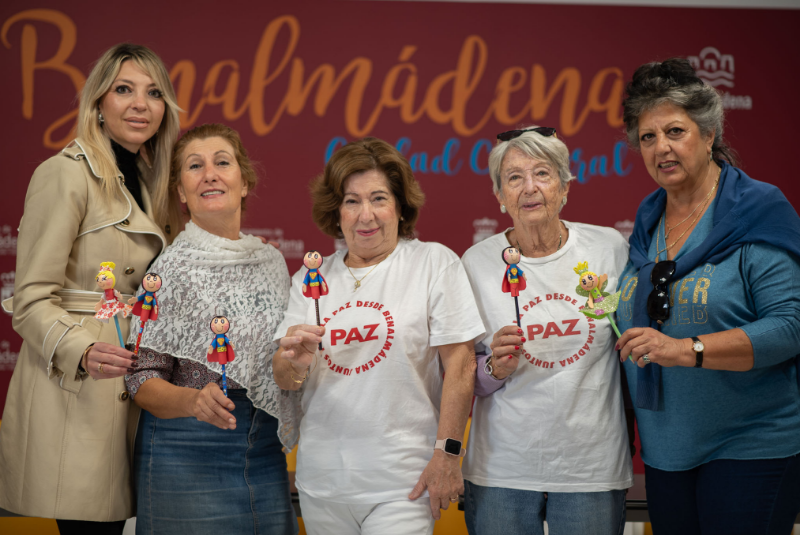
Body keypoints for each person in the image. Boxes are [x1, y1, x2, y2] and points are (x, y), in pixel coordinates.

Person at [0, 43, 180, 535]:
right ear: (98, 103)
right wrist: (83, 350)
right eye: (124, 89)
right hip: (81, 389)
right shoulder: (64, 173)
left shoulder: (154, 182)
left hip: (138, 382)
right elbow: (30, 299)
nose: (140, 104)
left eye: (153, 92)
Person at [616, 58, 800, 534]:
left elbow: (790, 324)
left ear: (709, 133)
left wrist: (686, 350)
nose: (661, 147)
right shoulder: (647, 220)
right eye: (648, 137)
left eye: (675, 131)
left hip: (749, 445)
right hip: (666, 452)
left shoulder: (756, 209)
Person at [272, 137, 484, 535]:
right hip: (322, 483)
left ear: (400, 208)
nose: (365, 215)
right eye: (352, 201)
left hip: (402, 485)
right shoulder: (310, 280)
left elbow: (460, 365)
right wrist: (292, 363)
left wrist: (448, 454)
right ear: (336, 212)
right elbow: (286, 378)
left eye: (379, 199)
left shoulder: (433, 263)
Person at [125, 123, 301, 535]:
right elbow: (140, 378)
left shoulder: (273, 263)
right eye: (194, 166)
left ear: (244, 183)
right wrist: (191, 401)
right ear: (182, 192)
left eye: (222, 162)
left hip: (263, 448)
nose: (210, 173)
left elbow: (285, 368)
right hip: (187, 449)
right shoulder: (167, 270)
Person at [460, 126, 632, 535]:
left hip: (591, 466)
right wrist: (493, 370)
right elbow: (463, 377)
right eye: (514, 177)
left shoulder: (609, 248)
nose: (529, 187)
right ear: (499, 196)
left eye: (543, 173)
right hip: (501, 468)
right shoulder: (475, 263)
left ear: (565, 186)